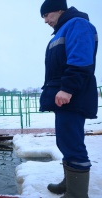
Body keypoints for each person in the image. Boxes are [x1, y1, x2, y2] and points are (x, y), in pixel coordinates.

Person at [39, 0, 98, 197]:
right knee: (65, 142)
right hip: (64, 98)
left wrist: (67, 89)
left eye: (47, 15)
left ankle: (77, 194)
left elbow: (80, 60)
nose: (45, 20)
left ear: (59, 10)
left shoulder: (77, 25)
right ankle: (70, 183)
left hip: (73, 97)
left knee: (73, 144)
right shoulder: (63, 29)